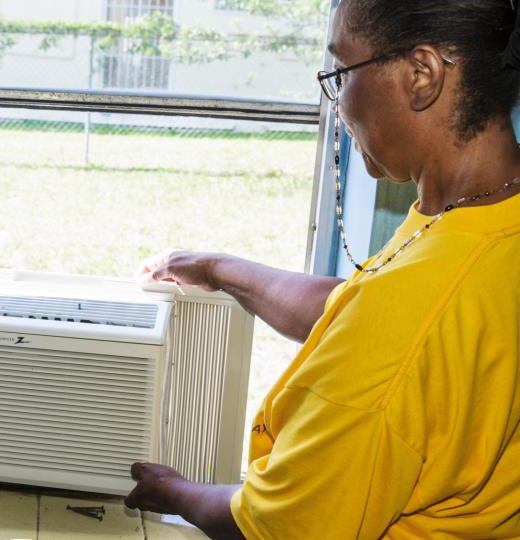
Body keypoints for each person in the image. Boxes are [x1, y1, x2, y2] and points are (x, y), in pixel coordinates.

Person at [125, 1, 520, 538]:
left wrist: (173, 491)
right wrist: (220, 268)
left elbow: (281, 522)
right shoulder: (481, 215)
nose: (337, 103)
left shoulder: (408, 315)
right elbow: (351, 312)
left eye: (341, 72)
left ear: (420, 75)